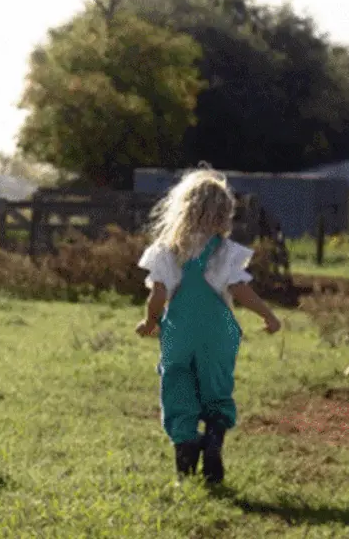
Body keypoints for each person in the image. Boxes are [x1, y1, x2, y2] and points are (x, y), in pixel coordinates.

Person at [134, 167, 281, 485]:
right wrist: (267, 315)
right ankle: (214, 439)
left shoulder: (167, 251)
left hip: (179, 336)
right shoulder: (226, 253)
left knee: (178, 391)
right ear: (225, 215)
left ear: (182, 208)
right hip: (218, 336)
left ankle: (185, 465)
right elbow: (241, 290)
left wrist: (150, 321)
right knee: (216, 390)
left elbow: (158, 293)